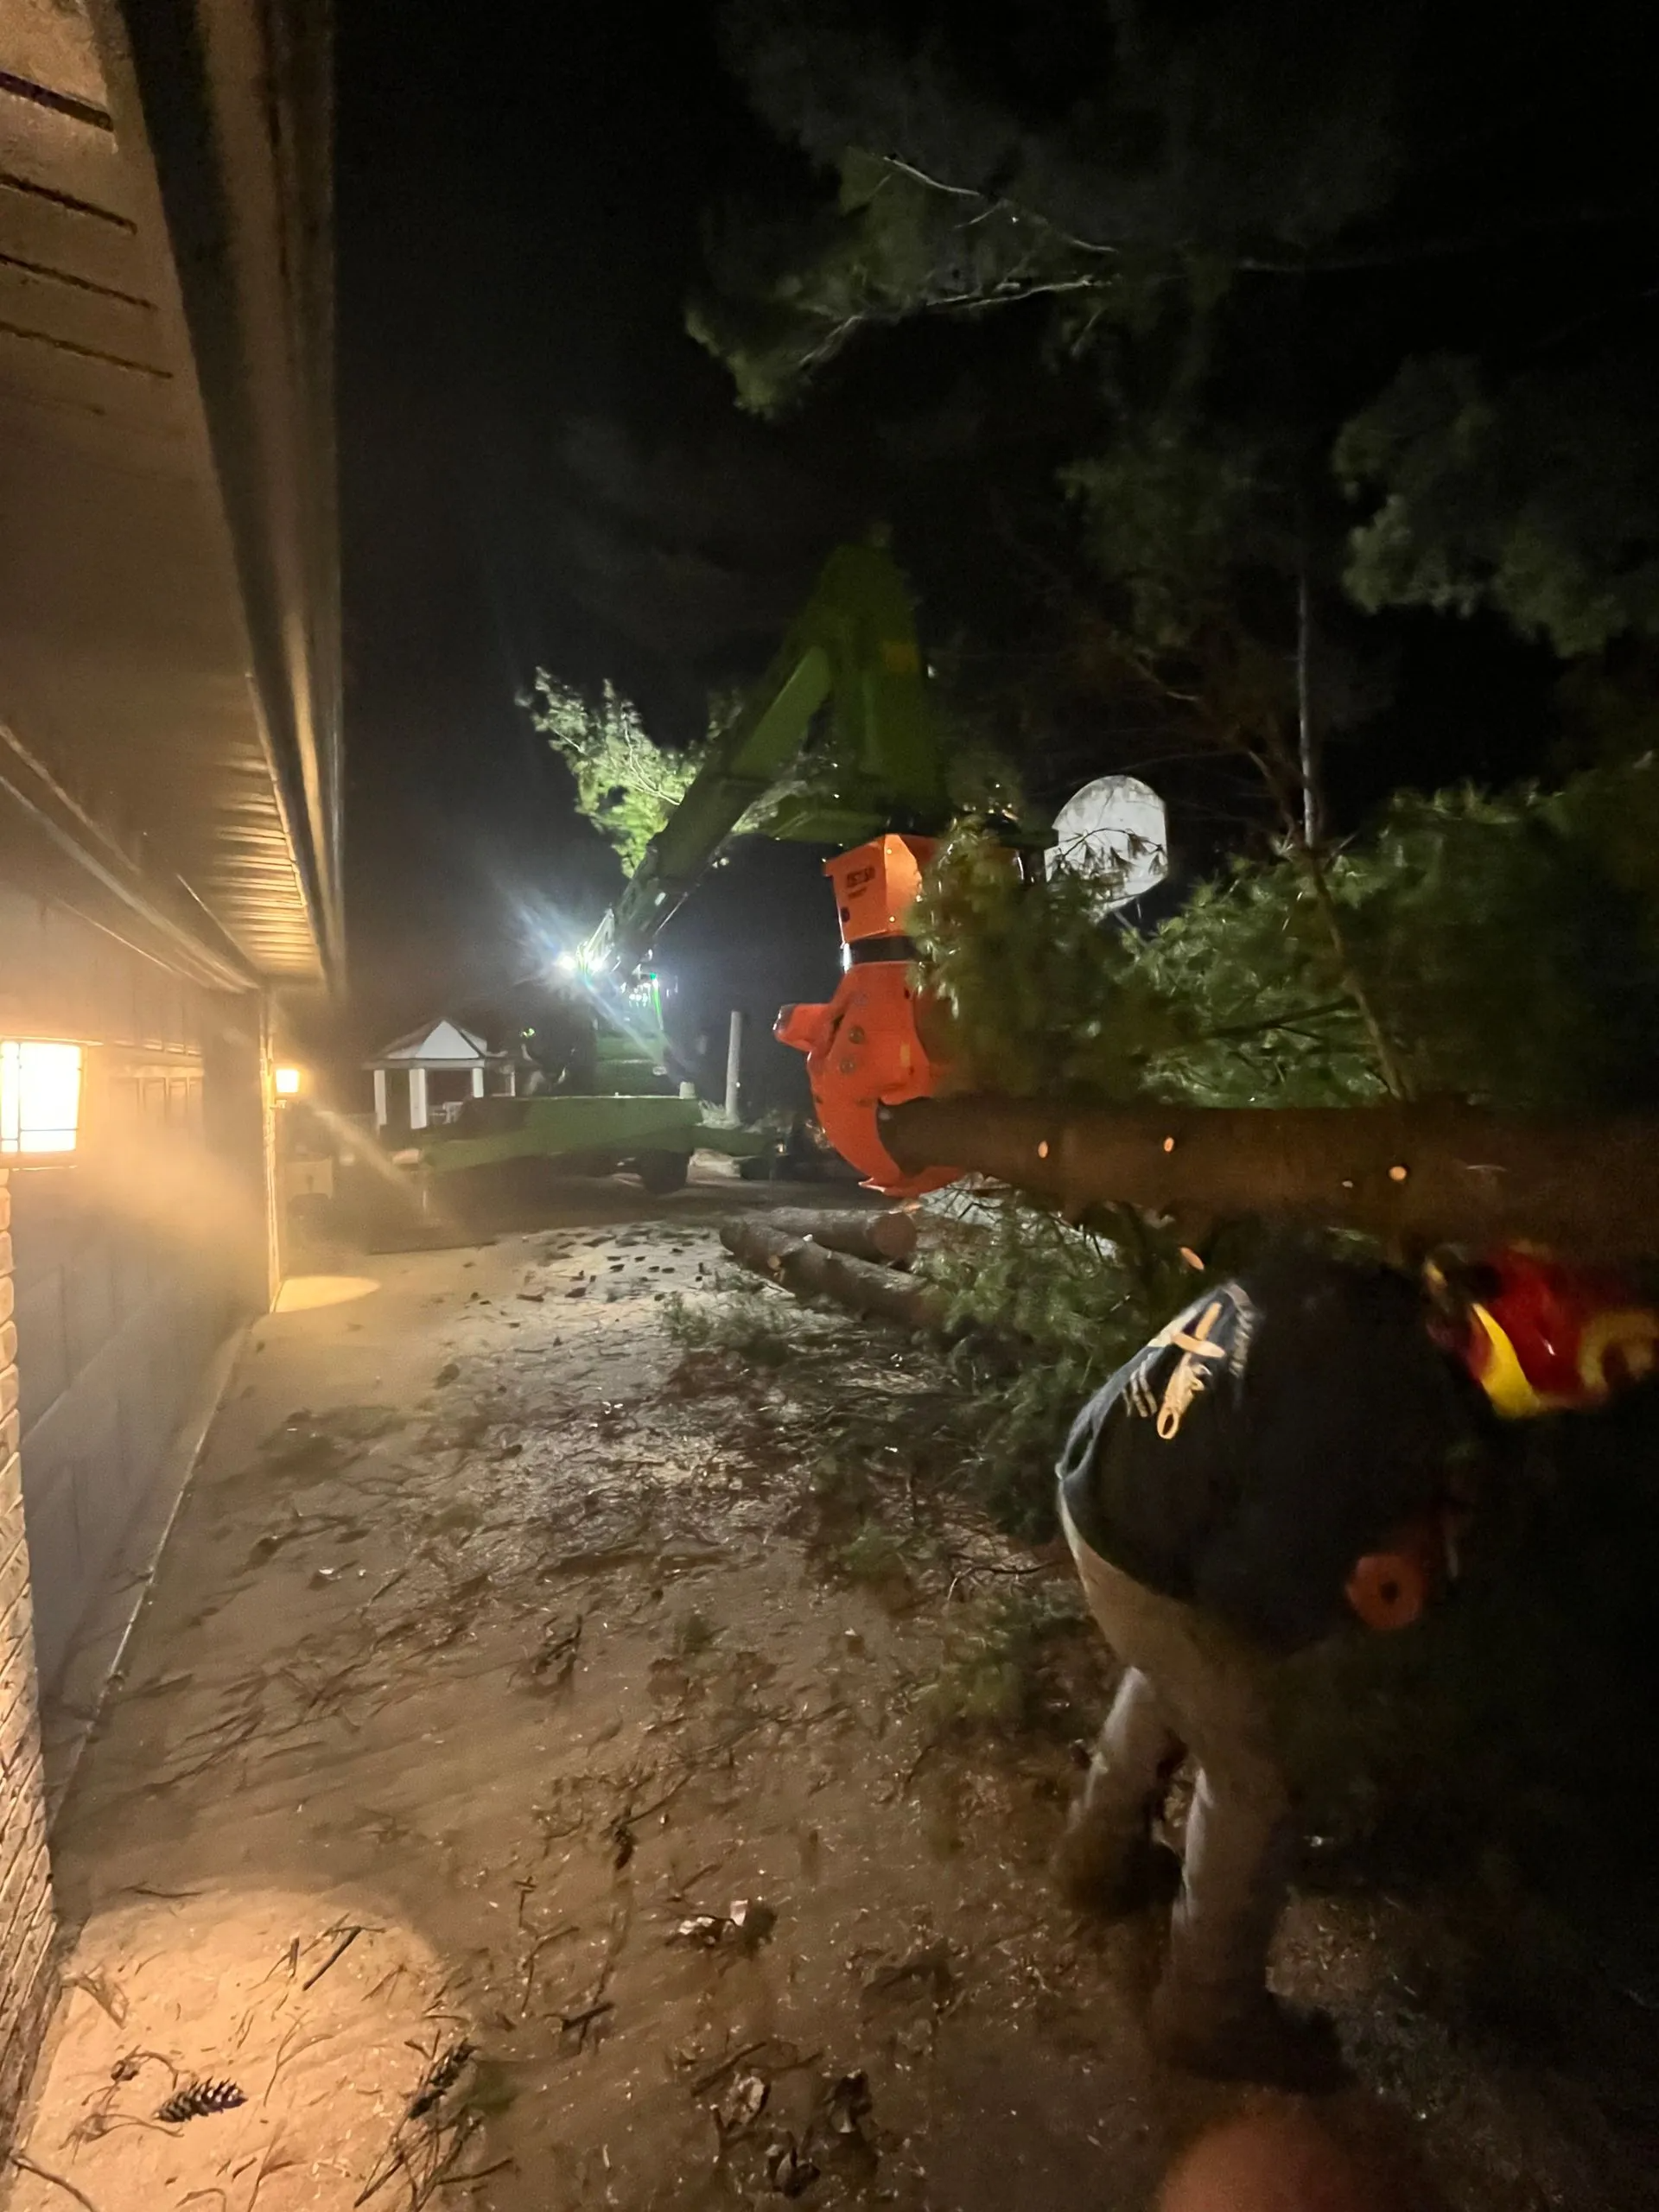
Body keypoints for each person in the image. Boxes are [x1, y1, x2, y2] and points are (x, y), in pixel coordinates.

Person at [1053, 1240, 1658, 2089]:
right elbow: (1250, 1592)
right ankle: (1206, 2010)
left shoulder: (1367, 1302)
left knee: (1178, 1666)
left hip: (1113, 1485)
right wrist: (1351, 1603)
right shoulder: (1372, 1416)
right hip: (1148, 1549)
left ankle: (1097, 1860)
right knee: (1256, 1773)